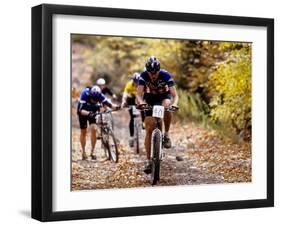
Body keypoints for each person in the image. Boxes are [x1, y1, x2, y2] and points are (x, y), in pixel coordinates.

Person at [136, 56, 179, 174]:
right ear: (147, 71)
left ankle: (166, 134)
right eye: (151, 73)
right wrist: (142, 103)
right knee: (149, 128)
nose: (153, 75)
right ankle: (149, 160)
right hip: (149, 98)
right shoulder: (143, 75)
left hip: (163, 96)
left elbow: (175, 95)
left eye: (155, 73)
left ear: (159, 70)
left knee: (167, 105)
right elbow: (139, 94)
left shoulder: (165, 75)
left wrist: (174, 104)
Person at [77, 85, 119, 160]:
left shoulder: (100, 95)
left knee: (94, 129)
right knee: (83, 132)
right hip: (83, 112)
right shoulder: (85, 94)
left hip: (93, 111)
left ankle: (92, 152)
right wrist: (89, 113)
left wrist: (116, 107)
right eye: (93, 99)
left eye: (96, 99)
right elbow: (80, 110)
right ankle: (83, 152)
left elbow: (109, 104)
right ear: (90, 95)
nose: (94, 101)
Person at [121, 72, 145, 147]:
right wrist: (124, 101)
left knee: (143, 109)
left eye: (137, 82)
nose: (136, 83)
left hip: (139, 99)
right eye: (135, 82)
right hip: (131, 100)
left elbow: (145, 94)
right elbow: (125, 93)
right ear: (133, 80)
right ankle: (131, 137)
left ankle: (144, 122)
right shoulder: (129, 84)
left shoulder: (142, 84)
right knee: (132, 117)